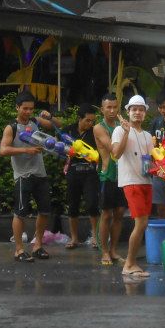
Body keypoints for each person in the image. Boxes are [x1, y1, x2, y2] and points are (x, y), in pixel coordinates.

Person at [0, 90, 55, 262]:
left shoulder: (36, 122)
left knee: (45, 211)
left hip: (40, 173)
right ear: (17, 108)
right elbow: (3, 150)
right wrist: (25, 150)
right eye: (25, 109)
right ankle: (19, 250)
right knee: (20, 213)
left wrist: (50, 117)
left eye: (31, 109)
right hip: (23, 175)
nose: (28, 112)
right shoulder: (11, 127)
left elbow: (56, 127)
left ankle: (37, 246)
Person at [110, 95, 153, 278]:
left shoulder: (148, 136)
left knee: (142, 224)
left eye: (141, 109)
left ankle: (131, 262)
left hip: (146, 181)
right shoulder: (120, 131)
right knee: (141, 223)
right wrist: (126, 132)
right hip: (131, 182)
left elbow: (150, 162)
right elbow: (116, 155)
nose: (137, 112)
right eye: (134, 109)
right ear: (128, 112)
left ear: (145, 113)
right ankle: (129, 264)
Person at [93, 93, 127, 266]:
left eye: (115, 107)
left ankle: (113, 250)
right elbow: (114, 151)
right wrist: (126, 133)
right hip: (108, 175)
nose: (112, 110)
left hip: (124, 175)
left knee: (120, 213)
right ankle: (104, 251)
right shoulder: (99, 128)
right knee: (106, 214)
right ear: (102, 109)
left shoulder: (123, 126)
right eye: (109, 107)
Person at [64, 104, 100, 249]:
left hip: (90, 172)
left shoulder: (94, 132)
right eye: (87, 120)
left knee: (92, 203)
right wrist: (68, 153)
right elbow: (57, 146)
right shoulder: (69, 131)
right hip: (73, 171)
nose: (90, 124)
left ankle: (95, 237)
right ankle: (74, 238)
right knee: (73, 205)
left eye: (92, 121)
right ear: (79, 119)